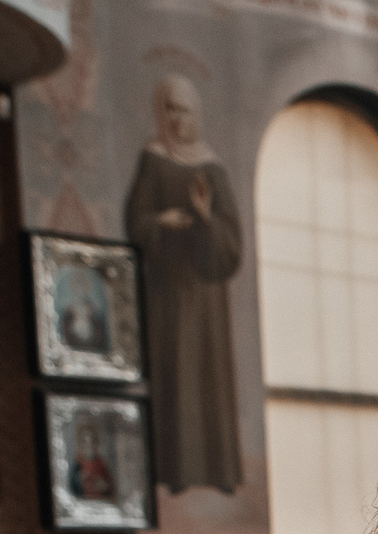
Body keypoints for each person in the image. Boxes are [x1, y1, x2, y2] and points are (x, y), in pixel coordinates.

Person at [124, 75, 242, 493]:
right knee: (174, 377)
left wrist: (206, 220)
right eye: (169, 109)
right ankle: (174, 473)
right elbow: (136, 219)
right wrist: (160, 222)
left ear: (196, 112)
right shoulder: (153, 159)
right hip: (168, 291)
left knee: (208, 377)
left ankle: (218, 474)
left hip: (206, 294)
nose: (176, 118)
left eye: (183, 109)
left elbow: (231, 238)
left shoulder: (212, 166)